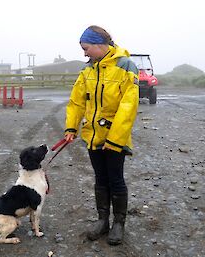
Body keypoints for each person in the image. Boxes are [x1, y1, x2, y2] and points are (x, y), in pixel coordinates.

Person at [64, 25, 139, 245]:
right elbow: (77, 101)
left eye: (86, 48)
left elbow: (128, 105)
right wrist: (71, 128)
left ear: (99, 44)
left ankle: (118, 224)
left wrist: (115, 140)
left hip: (115, 137)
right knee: (100, 179)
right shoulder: (88, 69)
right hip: (93, 136)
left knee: (115, 179)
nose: (84, 53)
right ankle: (102, 220)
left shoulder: (125, 66)